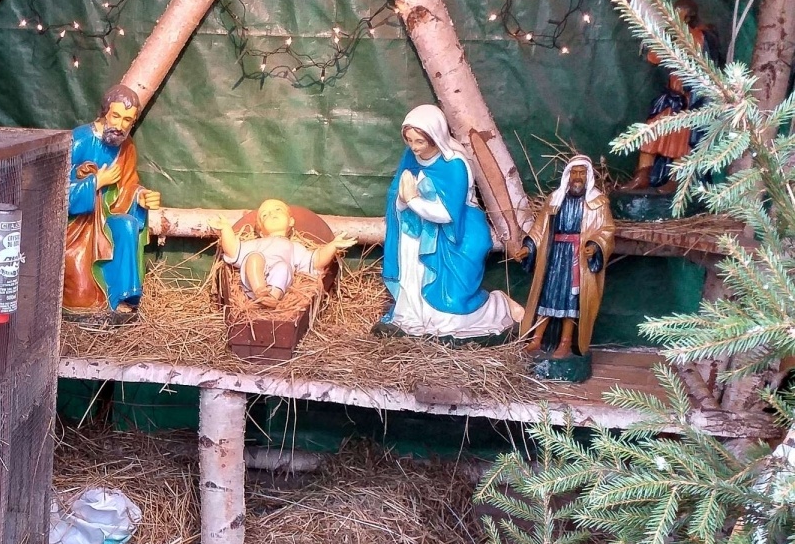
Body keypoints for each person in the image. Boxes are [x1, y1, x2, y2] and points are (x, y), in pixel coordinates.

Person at [381, 105, 519, 339]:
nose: (413, 147)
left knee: (452, 312)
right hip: (416, 232)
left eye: (419, 142)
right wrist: (402, 201)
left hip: (456, 236)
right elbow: (397, 194)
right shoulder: (410, 157)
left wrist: (412, 199)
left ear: (434, 137)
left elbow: (447, 215)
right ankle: (414, 316)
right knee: (412, 277)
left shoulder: (454, 165)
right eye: (409, 140)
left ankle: (500, 306)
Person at [63, 84, 161, 319]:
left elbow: (128, 185)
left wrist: (141, 196)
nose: (120, 126)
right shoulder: (79, 140)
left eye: (127, 120)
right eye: (116, 116)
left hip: (106, 218)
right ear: (104, 112)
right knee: (81, 294)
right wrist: (95, 182)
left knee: (127, 225)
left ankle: (121, 298)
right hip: (76, 226)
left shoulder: (126, 147)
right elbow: (57, 192)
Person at [517, 155, 614, 363]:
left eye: (582, 173)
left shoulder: (597, 203)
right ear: (568, 175)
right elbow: (540, 229)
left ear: (588, 176)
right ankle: (536, 338)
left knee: (572, 300)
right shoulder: (554, 200)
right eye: (574, 172)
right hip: (554, 256)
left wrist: (594, 245)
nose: (577, 177)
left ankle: (565, 341)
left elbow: (606, 230)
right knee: (547, 296)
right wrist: (528, 247)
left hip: (577, 258)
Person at [620, 0, 722, 191]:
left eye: (678, 13)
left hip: (689, 102)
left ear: (688, 16)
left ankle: (676, 180)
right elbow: (654, 58)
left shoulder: (697, 36)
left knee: (683, 142)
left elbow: (695, 56)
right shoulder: (671, 35)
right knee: (650, 134)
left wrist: (672, 36)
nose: (672, 17)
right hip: (670, 97)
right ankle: (643, 175)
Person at [212, 198, 354, 307]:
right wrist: (225, 229)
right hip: (254, 280)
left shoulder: (294, 247)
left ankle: (273, 297)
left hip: (278, 278)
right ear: (260, 231)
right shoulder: (257, 243)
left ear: (291, 221)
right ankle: (260, 290)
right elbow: (233, 250)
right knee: (254, 258)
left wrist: (333, 246)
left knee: (283, 267)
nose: (272, 214)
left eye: (278, 210)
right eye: (265, 215)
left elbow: (315, 260)